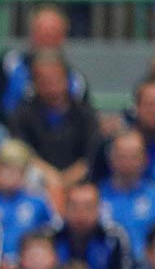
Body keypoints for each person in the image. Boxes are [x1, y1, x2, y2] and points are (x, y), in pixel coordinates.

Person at [0, 8, 89, 153]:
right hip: (2, 134)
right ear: (31, 34)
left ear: (63, 37)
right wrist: (16, 133)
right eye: (41, 30)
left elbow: (83, 122)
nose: (47, 36)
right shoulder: (8, 63)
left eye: (53, 32)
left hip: (48, 145)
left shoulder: (76, 81)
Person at [8, 52, 104, 187]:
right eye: (43, 78)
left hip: (79, 184)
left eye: (55, 77)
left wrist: (64, 181)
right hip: (38, 184)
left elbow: (91, 156)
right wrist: (51, 177)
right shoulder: (22, 114)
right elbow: (24, 153)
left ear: (66, 79)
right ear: (34, 82)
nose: (50, 83)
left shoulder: (85, 114)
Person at [97, 130, 155, 259]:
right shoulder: (95, 196)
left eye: (134, 157)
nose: (128, 163)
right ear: (111, 159)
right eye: (122, 156)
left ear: (145, 159)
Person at [0, 140, 57, 269]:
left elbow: (53, 237)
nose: (9, 174)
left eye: (16, 170)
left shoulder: (38, 202)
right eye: (5, 168)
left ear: (25, 173)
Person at [51, 182, 132, 269]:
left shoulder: (114, 237)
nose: (81, 214)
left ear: (99, 209)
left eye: (88, 207)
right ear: (64, 208)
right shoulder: (51, 237)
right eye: (75, 207)